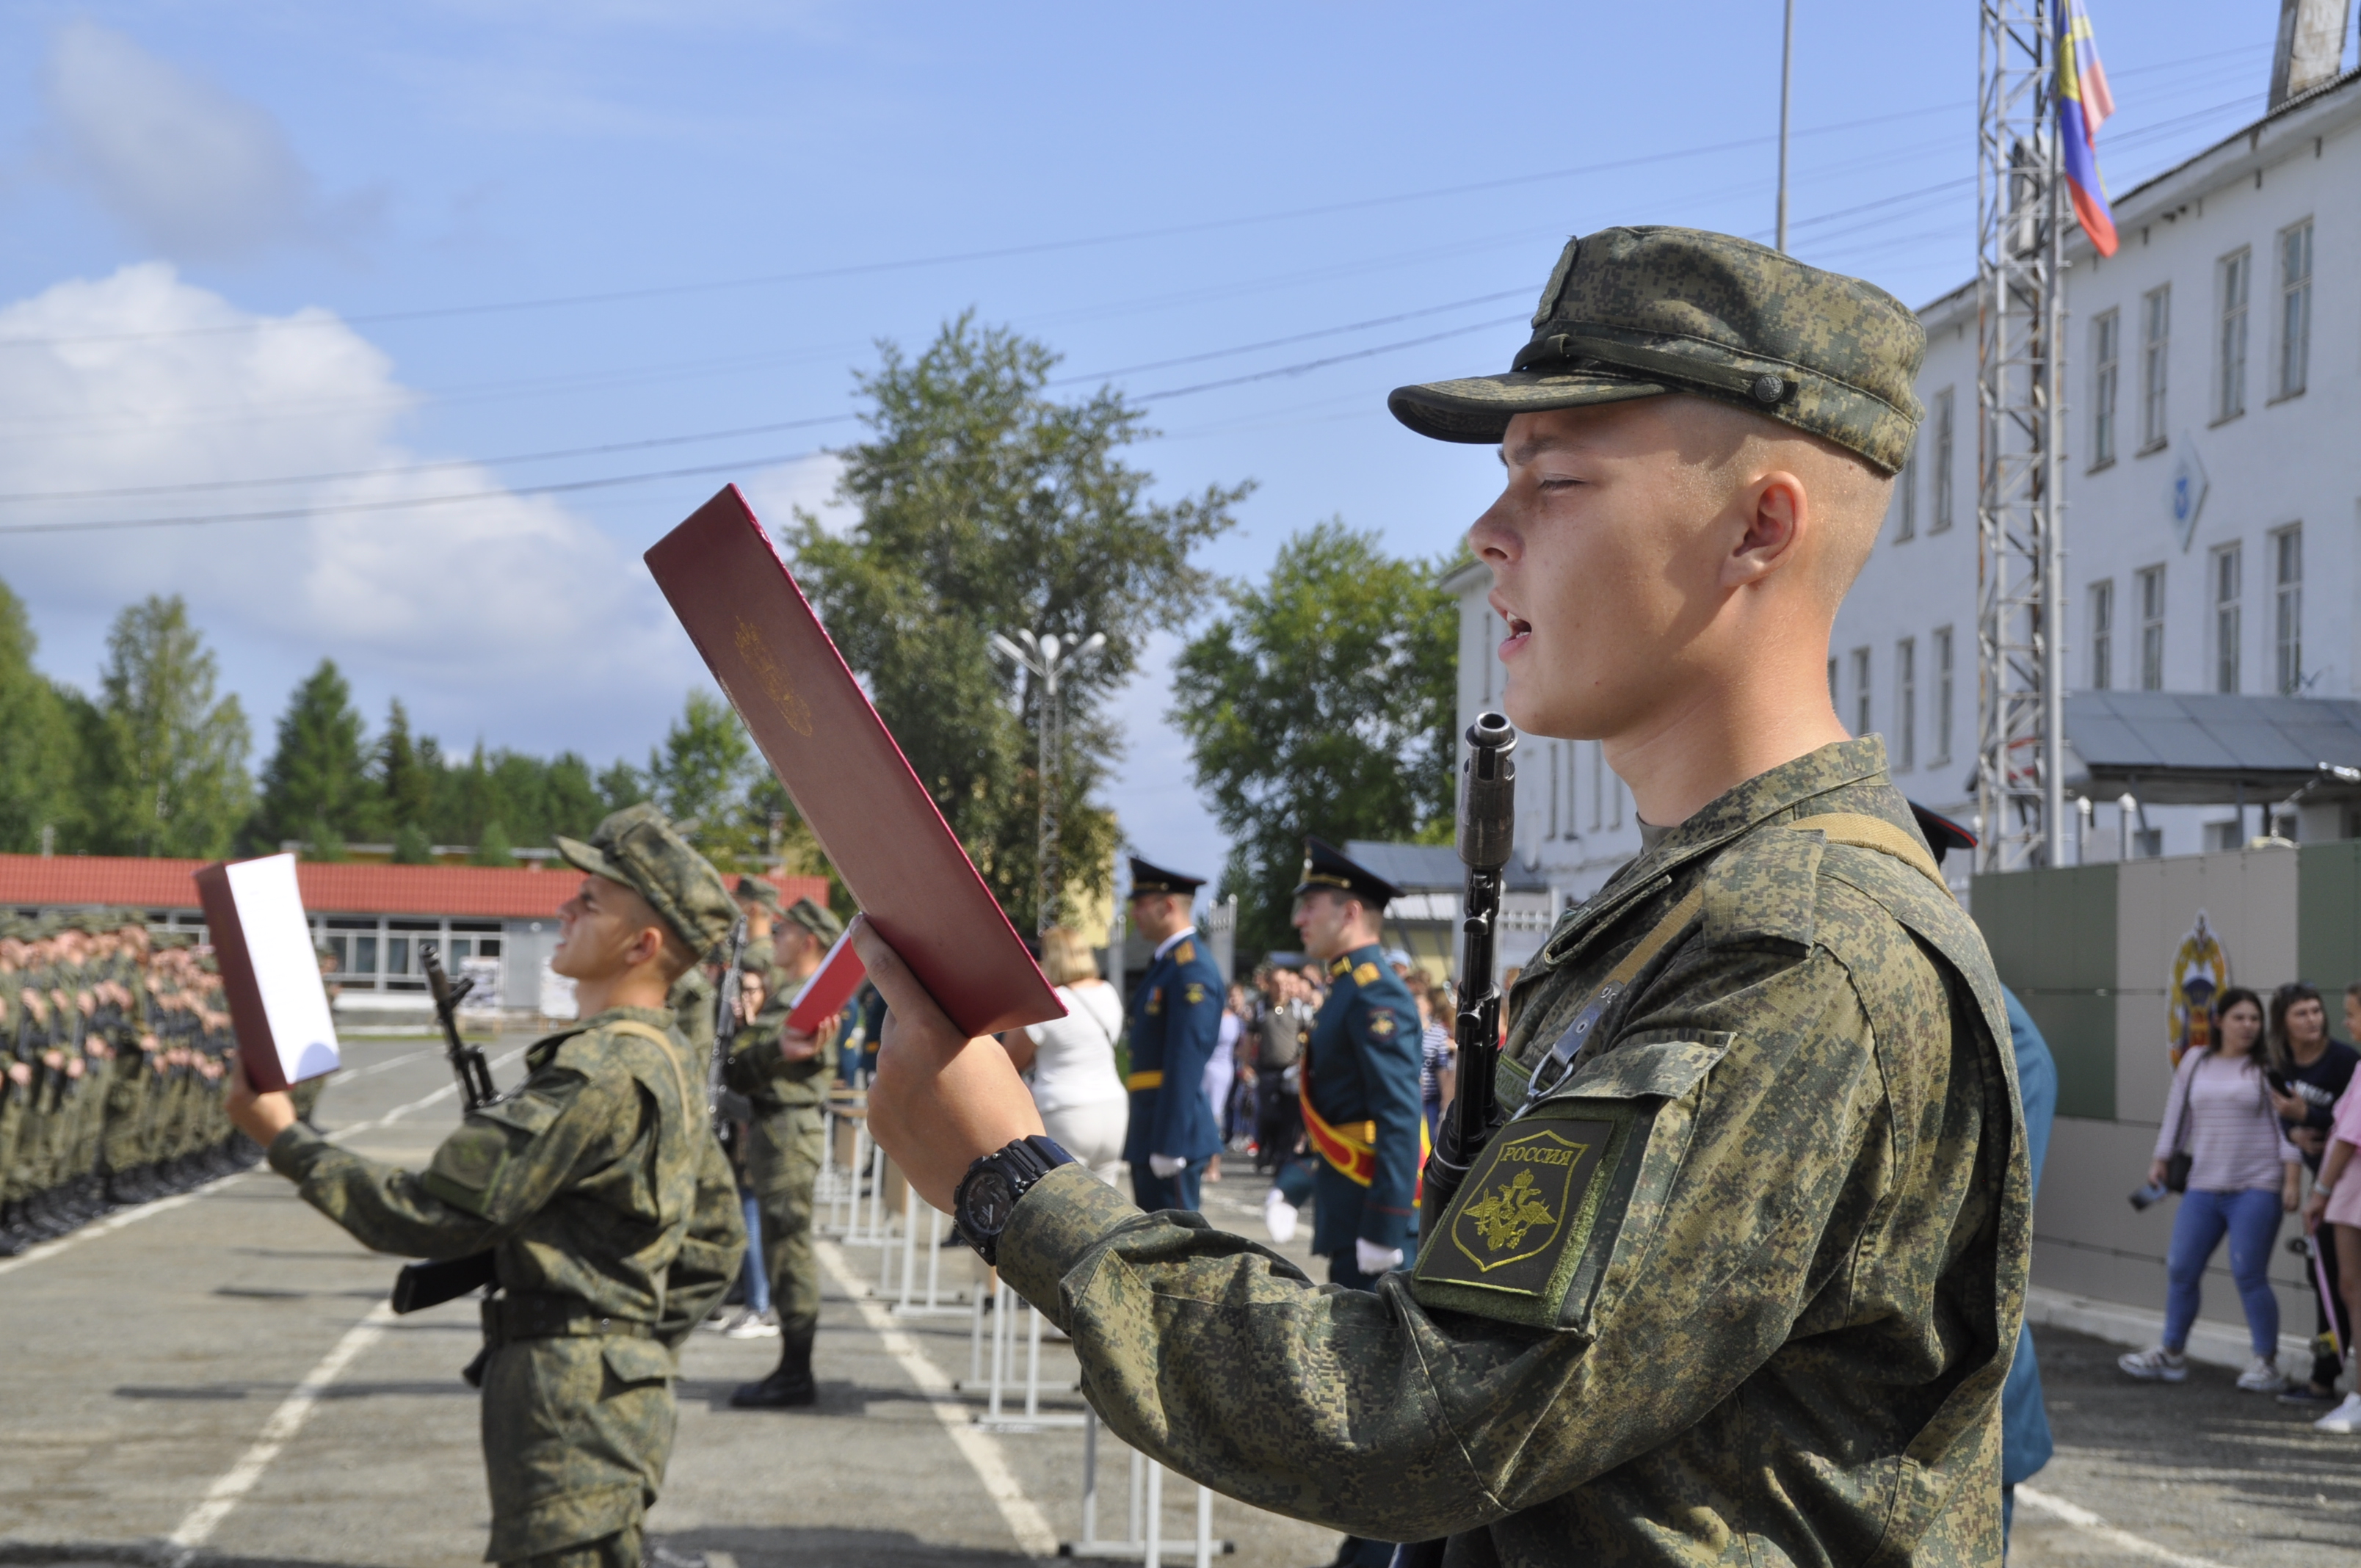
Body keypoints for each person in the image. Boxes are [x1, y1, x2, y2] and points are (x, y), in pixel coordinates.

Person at [850, 226, 2028, 1564]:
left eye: (1558, 479)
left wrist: (1013, 1185)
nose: (1487, 532)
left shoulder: (1800, 954)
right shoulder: (1685, 912)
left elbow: (1420, 1418)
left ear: (1759, 526)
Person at [226, 802, 745, 1568]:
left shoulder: (599, 1071)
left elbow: (431, 1215)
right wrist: (632, 1349)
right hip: (606, 1398)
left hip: (568, 1406)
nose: (564, 909)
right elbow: (715, 1243)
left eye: (590, 902)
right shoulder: (664, 1056)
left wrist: (284, 1136)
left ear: (642, 944)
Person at [2118, 986, 2302, 1391]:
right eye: (2239, 1017)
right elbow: (2177, 1114)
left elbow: (2288, 1128)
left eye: (2255, 1019)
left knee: (2249, 1273)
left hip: (2257, 1185)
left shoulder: (2268, 1066)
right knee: (2182, 1268)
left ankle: (2265, 1362)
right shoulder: (2196, 1060)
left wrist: (2291, 1181)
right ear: (2219, 1021)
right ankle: (2171, 1354)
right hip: (2203, 1184)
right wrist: (2161, 1161)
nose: (2248, 1026)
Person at [725, 896, 844, 1408]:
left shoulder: (804, 997)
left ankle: (797, 1373)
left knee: (789, 1252)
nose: (774, 937)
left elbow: (746, 1064)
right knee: (780, 1248)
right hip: (779, 1128)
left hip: (788, 1130)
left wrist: (758, 1049)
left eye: (783, 931)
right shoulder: (797, 993)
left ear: (809, 941)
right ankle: (792, 1368)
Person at [2263, 979, 2359, 1407]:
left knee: (2348, 1286)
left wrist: (2312, 1116)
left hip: (2343, 1188)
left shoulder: (2345, 1062)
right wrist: (2298, 1132)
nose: (2314, 1020)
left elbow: (2347, 1127)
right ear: (2283, 1022)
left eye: (2316, 1011)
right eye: (2301, 1013)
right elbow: (2285, 1120)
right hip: (2325, 1188)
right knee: (2326, 1285)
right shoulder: (2281, 1063)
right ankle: (2325, 1377)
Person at [1119, 857, 1224, 1213]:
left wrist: (1170, 1141)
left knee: (1176, 1258)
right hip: (1153, 1124)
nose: (1134, 913)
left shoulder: (1190, 967)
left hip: (1169, 1131)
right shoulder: (1168, 963)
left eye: (1141, 904)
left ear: (1167, 906)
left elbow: (1186, 1057)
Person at [998, 926, 1127, 1186]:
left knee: (1065, 1200)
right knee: (1105, 1207)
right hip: (1114, 1107)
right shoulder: (1108, 992)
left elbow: (1011, 1059)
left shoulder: (1047, 1001)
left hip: (1067, 1109)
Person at [2302, 1048, 2361, 1431]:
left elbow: (2350, 1135)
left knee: (2353, 1289)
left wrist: (2320, 1191)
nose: (2348, 1022)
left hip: (2353, 1191)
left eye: (2354, 1014)